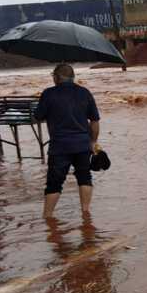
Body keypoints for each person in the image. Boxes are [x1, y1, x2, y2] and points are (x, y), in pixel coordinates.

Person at [34, 64, 100, 218]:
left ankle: (48, 217)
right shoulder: (85, 93)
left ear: (56, 77)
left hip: (60, 146)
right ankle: (85, 213)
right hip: (83, 144)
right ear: (73, 77)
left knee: (54, 183)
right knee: (85, 177)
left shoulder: (48, 94)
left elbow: (38, 116)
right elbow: (95, 121)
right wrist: (93, 141)